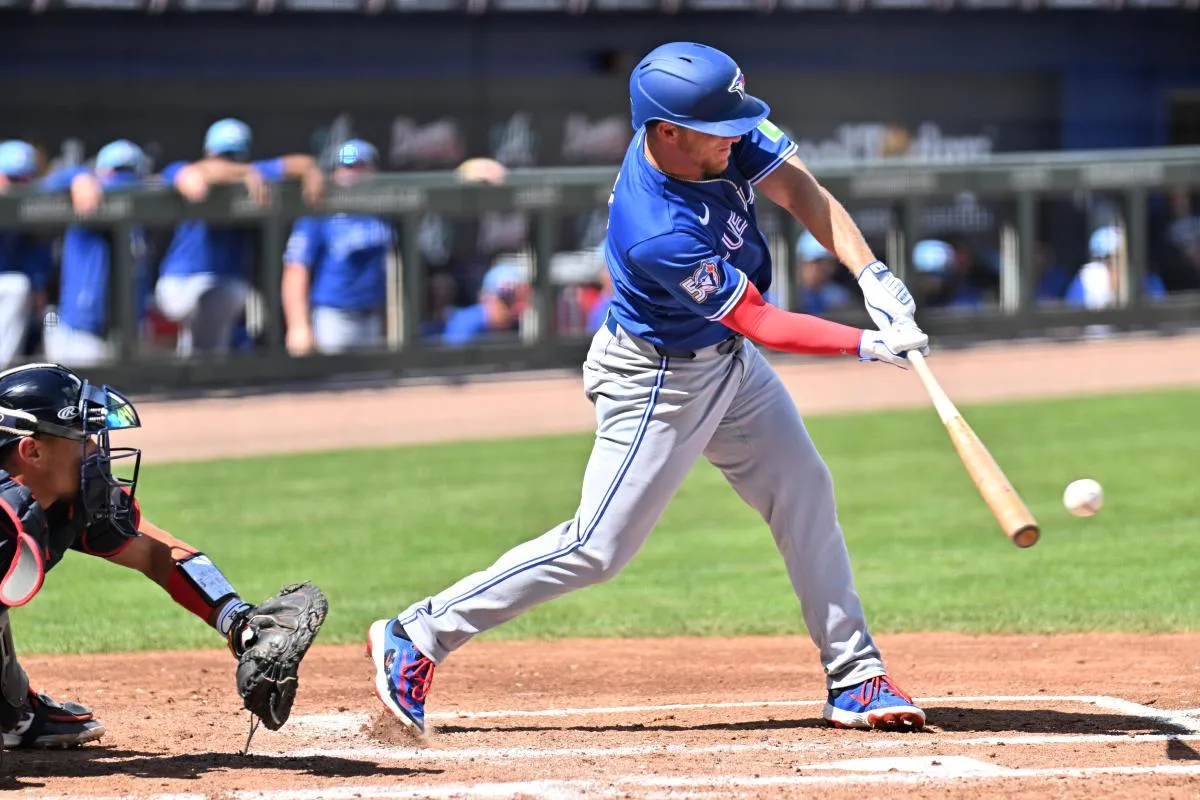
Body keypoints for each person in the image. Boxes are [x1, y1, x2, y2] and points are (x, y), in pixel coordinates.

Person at [368, 41, 930, 737]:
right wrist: (864, 343)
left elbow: (800, 188)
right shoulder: (655, 228)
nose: (736, 135)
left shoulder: (708, 129)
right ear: (667, 131)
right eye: (719, 128)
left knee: (804, 489)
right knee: (596, 547)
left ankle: (854, 676)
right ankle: (419, 632)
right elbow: (756, 317)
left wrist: (871, 274)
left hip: (727, 363)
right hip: (657, 379)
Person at [0, 362, 328, 751]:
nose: (96, 451)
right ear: (32, 450)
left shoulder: (67, 501)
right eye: (83, 438)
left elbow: (160, 554)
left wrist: (240, 624)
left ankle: (11, 712)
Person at [153, 118, 326, 358]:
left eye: (234, 156)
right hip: (177, 285)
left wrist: (312, 171)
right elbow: (194, 175)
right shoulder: (192, 168)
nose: (228, 162)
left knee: (227, 296)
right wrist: (244, 171)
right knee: (227, 294)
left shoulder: (255, 173)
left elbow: (301, 163)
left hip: (221, 289)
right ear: (208, 153)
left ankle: (201, 373)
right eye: (223, 156)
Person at [38, 139, 154, 367]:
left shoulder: (144, 211)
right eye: (116, 172)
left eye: (129, 174)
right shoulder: (86, 195)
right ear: (100, 173)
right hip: (80, 332)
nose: (122, 181)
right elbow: (47, 185)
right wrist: (79, 176)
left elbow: (173, 176)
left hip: (127, 330)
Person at [282, 139, 394, 356]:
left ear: (373, 171)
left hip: (372, 316)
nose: (352, 174)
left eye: (360, 166)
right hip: (332, 318)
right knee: (334, 386)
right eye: (346, 166)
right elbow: (296, 268)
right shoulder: (319, 212)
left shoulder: (385, 212)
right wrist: (298, 325)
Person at [0, 141, 53, 369]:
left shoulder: (32, 222)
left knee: (49, 314)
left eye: (25, 179)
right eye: (12, 178)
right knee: (16, 286)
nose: (19, 186)